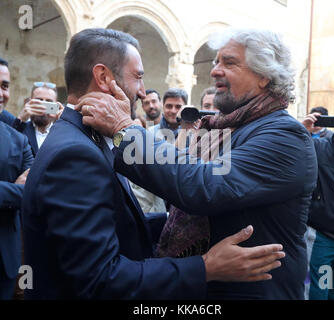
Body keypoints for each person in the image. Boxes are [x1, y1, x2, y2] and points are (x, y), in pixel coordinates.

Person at [22, 28, 285, 300]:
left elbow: (116, 225)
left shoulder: (87, 138)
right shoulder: (76, 154)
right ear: (103, 77)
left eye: (229, 63)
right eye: (138, 76)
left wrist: (181, 224)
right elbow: (100, 280)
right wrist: (204, 267)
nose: (143, 90)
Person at [78, 28, 318, 300]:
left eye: (228, 62)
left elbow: (204, 185)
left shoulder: (285, 137)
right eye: (216, 62)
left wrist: (124, 130)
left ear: (264, 76)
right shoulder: (227, 128)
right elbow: (204, 214)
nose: (215, 70)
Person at [302, 104, 334, 300]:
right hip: (323, 240)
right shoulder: (317, 147)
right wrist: (302, 130)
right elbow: (285, 154)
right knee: (317, 293)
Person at [0, 57, 33, 299]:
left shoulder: (18, 140)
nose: (1, 93)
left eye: (4, 85)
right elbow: (21, 190)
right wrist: (13, 189)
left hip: (5, 258)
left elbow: (33, 190)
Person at [11, 82, 64, 156]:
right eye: (39, 101)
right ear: (29, 102)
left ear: (56, 106)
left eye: (48, 102)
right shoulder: (20, 128)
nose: (43, 107)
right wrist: (20, 119)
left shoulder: (61, 132)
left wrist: (65, 122)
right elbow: (9, 149)